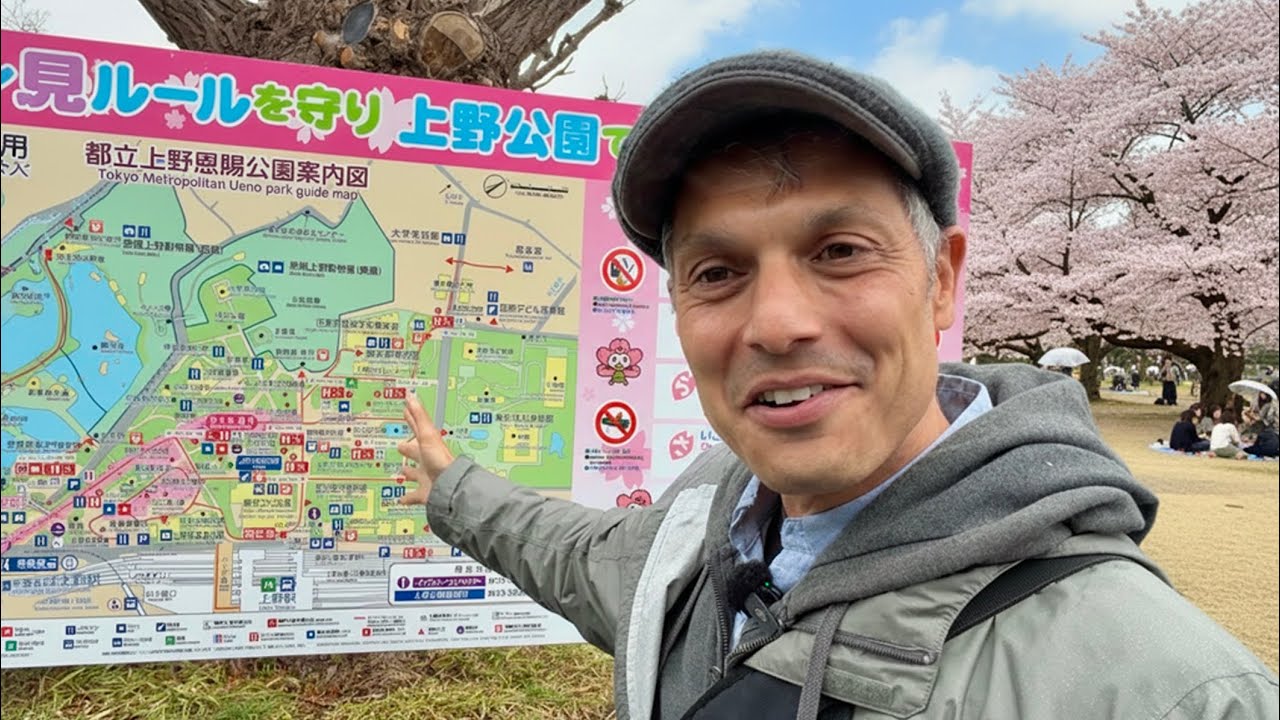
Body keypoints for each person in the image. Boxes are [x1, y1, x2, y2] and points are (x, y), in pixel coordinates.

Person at [396, 51, 1278, 718]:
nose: (776, 323)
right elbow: (580, 555)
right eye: (716, 272)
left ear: (941, 281)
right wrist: (453, 488)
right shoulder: (702, 540)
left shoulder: (1170, 690)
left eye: (841, 252)